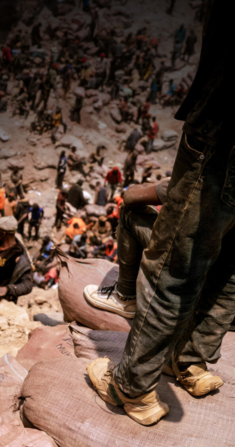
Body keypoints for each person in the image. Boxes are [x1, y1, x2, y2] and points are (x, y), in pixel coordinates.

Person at [87, 3, 235, 423]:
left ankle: (131, 387)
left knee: (173, 270)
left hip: (222, 142)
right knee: (228, 272)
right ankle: (189, 362)